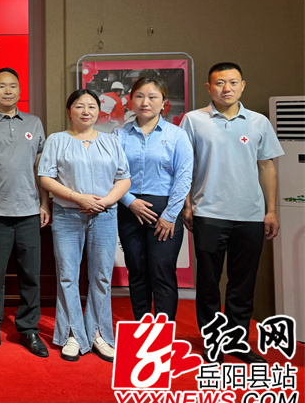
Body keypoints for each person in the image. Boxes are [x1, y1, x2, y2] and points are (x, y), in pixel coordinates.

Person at [181, 62, 284, 364]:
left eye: (233, 82)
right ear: (208, 87)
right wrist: (187, 205)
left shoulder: (259, 122)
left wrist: (271, 210)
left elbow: (266, 167)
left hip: (250, 215)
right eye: (219, 83)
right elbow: (183, 166)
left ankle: (237, 342)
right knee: (209, 283)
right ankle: (213, 342)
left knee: (242, 283)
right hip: (208, 213)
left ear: (243, 85)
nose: (227, 88)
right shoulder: (193, 120)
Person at [38, 89, 130, 363]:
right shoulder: (57, 140)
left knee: (101, 277)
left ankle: (98, 333)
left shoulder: (111, 141)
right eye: (80, 106)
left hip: (105, 215)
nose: (86, 111)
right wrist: (77, 198)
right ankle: (73, 334)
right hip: (68, 215)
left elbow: (124, 179)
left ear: (99, 112)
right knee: (67, 276)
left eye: (91, 106)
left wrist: (104, 202)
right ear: (70, 111)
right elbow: (46, 178)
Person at [0, 67, 51, 357]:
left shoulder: (34, 123)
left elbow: (41, 167)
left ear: (19, 91)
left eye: (12, 86)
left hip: (28, 212)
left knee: (30, 275)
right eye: (1, 86)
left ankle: (29, 330)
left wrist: (44, 203)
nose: (7, 91)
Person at [115, 77, 193, 321]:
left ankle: (162, 333)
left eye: (152, 97)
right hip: (129, 209)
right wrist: (129, 201)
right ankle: (141, 327)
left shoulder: (177, 135)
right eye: (139, 96)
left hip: (165, 210)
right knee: (136, 271)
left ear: (164, 102)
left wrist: (170, 215)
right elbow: (111, 173)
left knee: (162, 272)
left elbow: (184, 177)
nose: (145, 102)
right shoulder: (119, 135)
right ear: (130, 100)